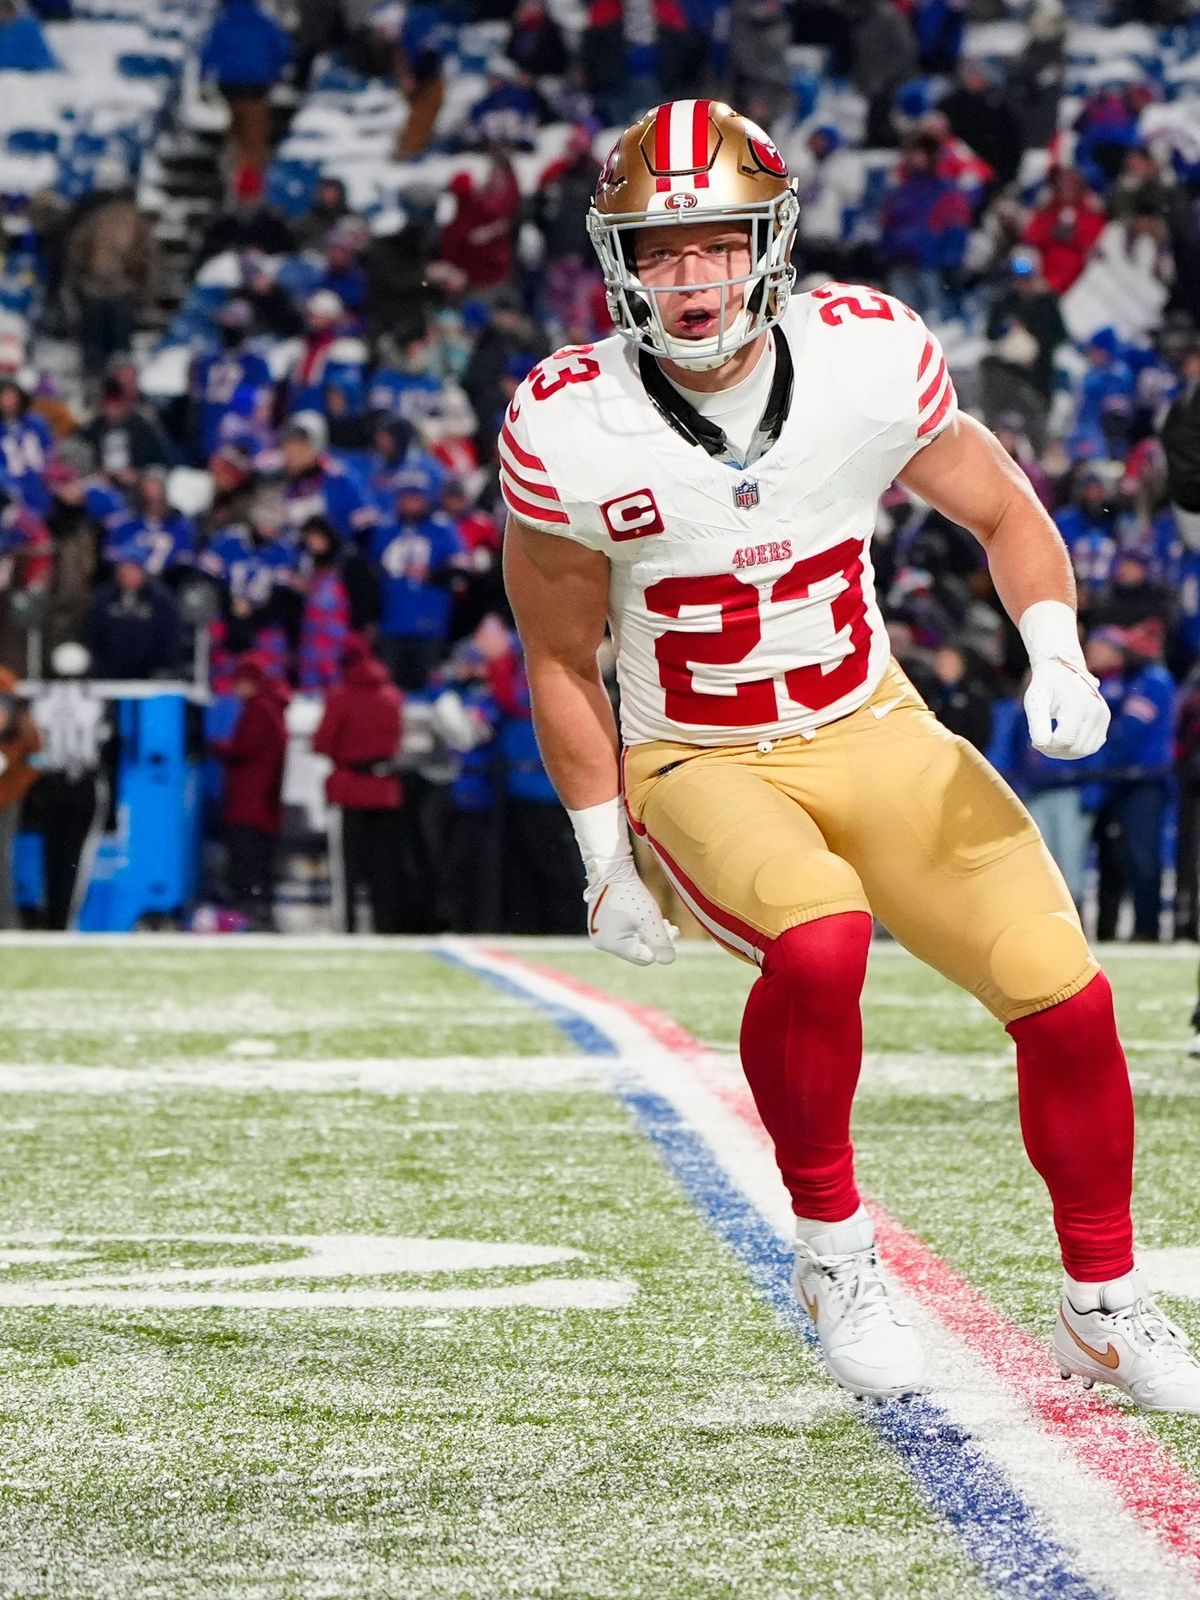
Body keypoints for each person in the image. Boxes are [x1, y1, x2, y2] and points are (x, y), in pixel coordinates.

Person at [501, 98, 1200, 1412]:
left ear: (770, 242)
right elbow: (558, 655)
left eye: (716, 244)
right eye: (660, 249)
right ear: (619, 263)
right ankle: (833, 1256)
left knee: (1069, 994)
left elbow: (1005, 507)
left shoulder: (867, 351)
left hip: (872, 723)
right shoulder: (568, 421)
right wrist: (605, 860)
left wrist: (1056, 651)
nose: (691, 278)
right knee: (820, 939)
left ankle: (1101, 1303)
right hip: (699, 758)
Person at [312, 634, 405, 933]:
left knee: (348, 868)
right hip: (384, 788)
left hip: (350, 788)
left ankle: (349, 926)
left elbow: (322, 742)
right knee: (383, 867)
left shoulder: (341, 697)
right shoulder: (392, 696)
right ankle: (383, 925)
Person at [211, 652, 288, 930]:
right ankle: (260, 914)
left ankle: (249, 918)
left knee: (245, 862)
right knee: (259, 863)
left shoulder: (259, 709)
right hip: (264, 802)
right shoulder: (274, 708)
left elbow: (246, 749)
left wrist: (216, 746)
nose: (234, 690)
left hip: (249, 801)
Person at [199, 0, 293, 179]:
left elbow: (209, 51)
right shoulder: (264, 21)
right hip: (256, 85)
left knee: (236, 127)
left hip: (228, 86)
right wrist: (276, 72)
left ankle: (232, 170)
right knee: (255, 134)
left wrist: (203, 78)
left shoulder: (224, 22)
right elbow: (281, 49)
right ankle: (250, 180)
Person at [0, 665, 40, 927]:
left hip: (5, 796)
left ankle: (7, 924)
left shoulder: (24, 729)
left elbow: (34, 756)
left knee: (2, 861)